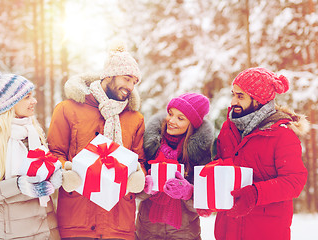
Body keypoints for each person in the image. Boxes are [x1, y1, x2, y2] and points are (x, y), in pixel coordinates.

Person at [47, 40, 146, 240]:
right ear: (109, 75)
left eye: (134, 82)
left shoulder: (135, 119)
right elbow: (53, 153)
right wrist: (66, 171)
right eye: (126, 78)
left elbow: (139, 162)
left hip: (119, 224)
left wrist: (139, 176)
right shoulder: (68, 109)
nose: (130, 87)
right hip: (78, 220)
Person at [214, 67, 308, 240]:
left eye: (240, 96)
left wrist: (256, 193)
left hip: (265, 231)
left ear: (258, 100)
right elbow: (219, 167)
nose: (233, 101)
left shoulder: (282, 135)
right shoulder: (228, 129)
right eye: (233, 94)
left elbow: (294, 181)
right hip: (228, 230)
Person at [0, 68, 62, 239]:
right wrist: (20, 185)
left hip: (48, 231)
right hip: (16, 234)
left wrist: (55, 177)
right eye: (27, 97)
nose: (34, 101)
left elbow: (45, 169)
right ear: (11, 102)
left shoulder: (34, 132)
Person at [135, 93, 214, 240]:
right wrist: (144, 186)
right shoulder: (150, 144)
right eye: (170, 114)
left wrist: (189, 192)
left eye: (180, 118)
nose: (171, 121)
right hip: (146, 232)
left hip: (184, 234)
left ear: (192, 123)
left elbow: (206, 205)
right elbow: (134, 193)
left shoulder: (201, 153)